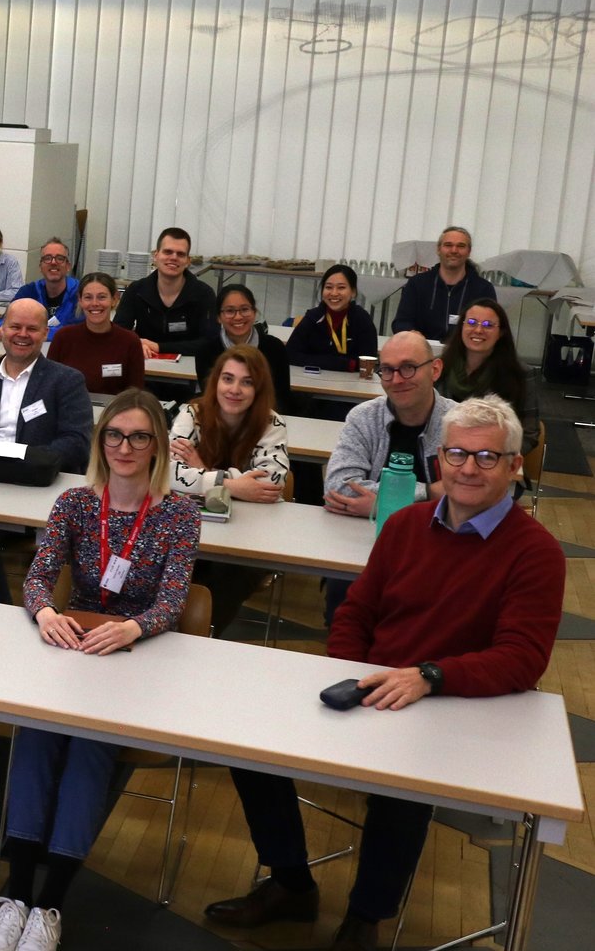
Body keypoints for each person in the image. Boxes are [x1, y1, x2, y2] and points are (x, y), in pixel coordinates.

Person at [205, 395, 562, 951]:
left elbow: (521, 657)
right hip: (371, 682)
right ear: (438, 461)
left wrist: (428, 677)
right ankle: (292, 884)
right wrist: (355, 675)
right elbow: (357, 612)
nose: (468, 468)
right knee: (247, 745)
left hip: (452, 702)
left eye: (487, 457)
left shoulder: (535, 552)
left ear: (515, 466)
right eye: (457, 454)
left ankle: (365, 917)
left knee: (403, 787)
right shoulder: (404, 525)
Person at [0, 389, 199, 951]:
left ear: (157, 446)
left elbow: (172, 601)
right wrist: (46, 613)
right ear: (102, 443)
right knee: (35, 734)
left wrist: (133, 628)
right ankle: (17, 897)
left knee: (88, 749)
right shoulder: (75, 503)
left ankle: (49, 904)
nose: (125, 447)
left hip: (132, 656)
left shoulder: (179, 514)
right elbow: (37, 577)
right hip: (73, 645)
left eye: (139, 437)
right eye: (115, 436)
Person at [0, 299, 95, 605]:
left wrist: (28, 462)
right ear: (2, 330)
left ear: (45, 334)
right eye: (15, 326)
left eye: (32, 328)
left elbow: (77, 442)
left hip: (40, 485)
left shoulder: (66, 381)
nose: (22, 335)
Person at [320, 331, 456, 622]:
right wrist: (428, 493)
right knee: (345, 601)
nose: (396, 379)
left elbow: (467, 495)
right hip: (367, 544)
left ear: (435, 370)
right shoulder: (363, 417)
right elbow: (338, 487)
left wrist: (383, 504)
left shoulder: (460, 424)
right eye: (387, 370)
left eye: (408, 368)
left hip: (443, 545)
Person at [167, 346, 288, 633]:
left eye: (247, 382)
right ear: (216, 381)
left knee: (229, 575)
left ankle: (201, 637)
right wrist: (233, 484)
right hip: (195, 526)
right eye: (228, 379)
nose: (235, 390)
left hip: (251, 535)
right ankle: (173, 629)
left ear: (259, 389)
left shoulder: (272, 423)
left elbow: (271, 483)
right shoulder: (192, 413)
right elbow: (169, 472)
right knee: (177, 562)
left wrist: (202, 470)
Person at [437, 298, 539, 453]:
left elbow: (529, 434)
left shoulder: (520, 374)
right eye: (471, 322)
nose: (478, 330)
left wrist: (498, 457)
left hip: (492, 458)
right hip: (443, 454)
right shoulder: (440, 367)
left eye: (488, 325)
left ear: (501, 333)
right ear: (461, 326)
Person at [114, 227, 215, 356]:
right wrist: (136, 343)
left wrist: (159, 347)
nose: (174, 257)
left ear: (188, 261)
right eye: (168, 252)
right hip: (145, 362)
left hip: (189, 365)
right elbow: (118, 334)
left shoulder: (204, 294)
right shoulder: (136, 291)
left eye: (180, 254)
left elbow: (210, 342)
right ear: (156, 256)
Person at [194, 284, 293, 416]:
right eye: (230, 311)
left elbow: (282, 398)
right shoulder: (206, 351)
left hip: (265, 419)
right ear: (218, 317)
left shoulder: (274, 347)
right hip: (223, 419)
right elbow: (210, 397)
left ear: (254, 312)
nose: (238, 317)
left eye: (245, 309)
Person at [48, 272, 145, 396]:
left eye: (102, 297)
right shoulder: (63, 337)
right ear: (80, 300)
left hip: (114, 408)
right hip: (69, 406)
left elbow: (135, 393)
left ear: (114, 299)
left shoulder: (130, 341)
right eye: (88, 297)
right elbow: (49, 385)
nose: (94, 303)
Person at [392, 226, 496, 341]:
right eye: (448, 245)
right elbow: (401, 322)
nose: (454, 250)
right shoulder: (417, 284)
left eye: (461, 246)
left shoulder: (483, 289)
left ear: (469, 251)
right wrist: (411, 333)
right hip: (422, 348)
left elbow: (490, 326)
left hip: (465, 350)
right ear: (438, 249)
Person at [288, 264, 378, 372]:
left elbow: (368, 362)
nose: (334, 293)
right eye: (328, 287)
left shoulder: (362, 319)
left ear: (353, 292)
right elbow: (290, 355)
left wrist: (316, 360)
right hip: (312, 379)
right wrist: (346, 364)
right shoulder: (313, 317)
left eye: (341, 287)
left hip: (350, 381)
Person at [12, 239, 83, 328]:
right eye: (47, 258)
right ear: (40, 267)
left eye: (60, 258)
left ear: (68, 266)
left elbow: (80, 330)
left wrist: (39, 331)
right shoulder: (28, 292)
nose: (53, 262)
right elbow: (4, 322)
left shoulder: (81, 293)